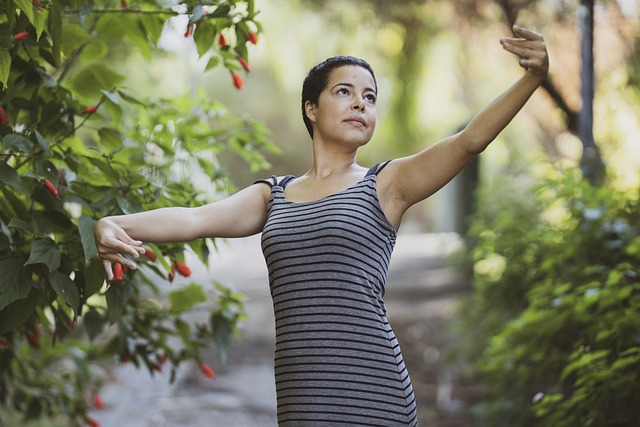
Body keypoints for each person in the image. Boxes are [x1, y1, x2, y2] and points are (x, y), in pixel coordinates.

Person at [95, 25, 549, 426]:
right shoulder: (273, 195)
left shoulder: (385, 185)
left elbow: (469, 140)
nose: (361, 104)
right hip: (302, 399)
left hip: (374, 391)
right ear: (311, 108)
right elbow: (195, 218)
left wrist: (531, 78)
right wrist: (115, 222)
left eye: (370, 97)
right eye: (345, 92)